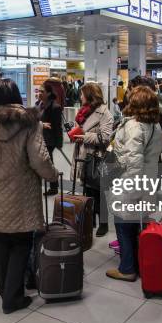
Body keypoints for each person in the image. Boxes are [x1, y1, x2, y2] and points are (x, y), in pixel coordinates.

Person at [0, 79, 57, 314]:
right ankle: (13, 297)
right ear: (18, 97)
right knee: (19, 244)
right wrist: (52, 176)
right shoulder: (30, 124)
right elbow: (39, 159)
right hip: (20, 196)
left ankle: (4, 292)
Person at [106, 86, 162, 281]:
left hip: (130, 184)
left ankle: (127, 268)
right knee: (139, 225)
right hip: (148, 183)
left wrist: (131, 191)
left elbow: (133, 162)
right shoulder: (156, 126)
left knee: (123, 225)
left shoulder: (133, 126)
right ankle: (141, 261)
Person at [73, 82, 114, 237]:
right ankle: (90, 220)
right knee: (87, 189)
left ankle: (103, 222)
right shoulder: (83, 112)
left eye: (82, 94)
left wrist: (85, 137)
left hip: (97, 157)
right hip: (83, 154)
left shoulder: (105, 113)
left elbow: (105, 137)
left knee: (100, 190)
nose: (80, 96)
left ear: (90, 95)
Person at [37, 83, 63, 196]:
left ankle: (54, 186)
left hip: (49, 140)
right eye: (39, 91)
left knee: (48, 163)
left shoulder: (55, 107)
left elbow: (58, 127)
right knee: (47, 163)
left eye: (42, 92)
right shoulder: (39, 105)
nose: (39, 94)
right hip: (39, 138)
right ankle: (53, 185)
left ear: (48, 93)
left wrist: (59, 142)